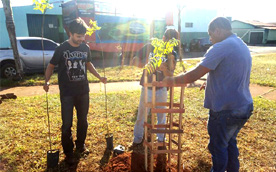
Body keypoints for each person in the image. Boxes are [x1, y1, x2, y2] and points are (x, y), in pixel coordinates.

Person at [154, 17, 253, 172]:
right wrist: (211, 81)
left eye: (211, 34)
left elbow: (194, 74)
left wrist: (170, 81)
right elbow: (231, 71)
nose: (210, 39)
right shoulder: (240, 44)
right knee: (229, 143)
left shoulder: (221, 47)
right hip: (243, 107)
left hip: (226, 111)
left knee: (218, 147)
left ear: (218, 30)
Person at [43, 18, 107, 165]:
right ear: (70, 33)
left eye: (83, 36)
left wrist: (99, 77)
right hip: (67, 93)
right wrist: (46, 81)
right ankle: (68, 152)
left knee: (83, 121)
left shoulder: (85, 48)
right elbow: (51, 66)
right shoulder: (61, 48)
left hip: (83, 90)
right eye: (78, 36)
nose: (81, 39)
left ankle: (80, 145)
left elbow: (89, 64)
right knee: (67, 124)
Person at [129, 28, 179, 150]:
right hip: (147, 87)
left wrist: (164, 69)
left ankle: (161, 140)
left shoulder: (172, 54)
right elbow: (134, 61)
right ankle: (138, 139)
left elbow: (171, 74)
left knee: (161, 115)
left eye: (172, 42)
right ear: (163, 38)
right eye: (167, 39)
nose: (169, 43)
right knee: (142, 114)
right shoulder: (150, 47)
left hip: (162, 89)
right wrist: (151, 63)